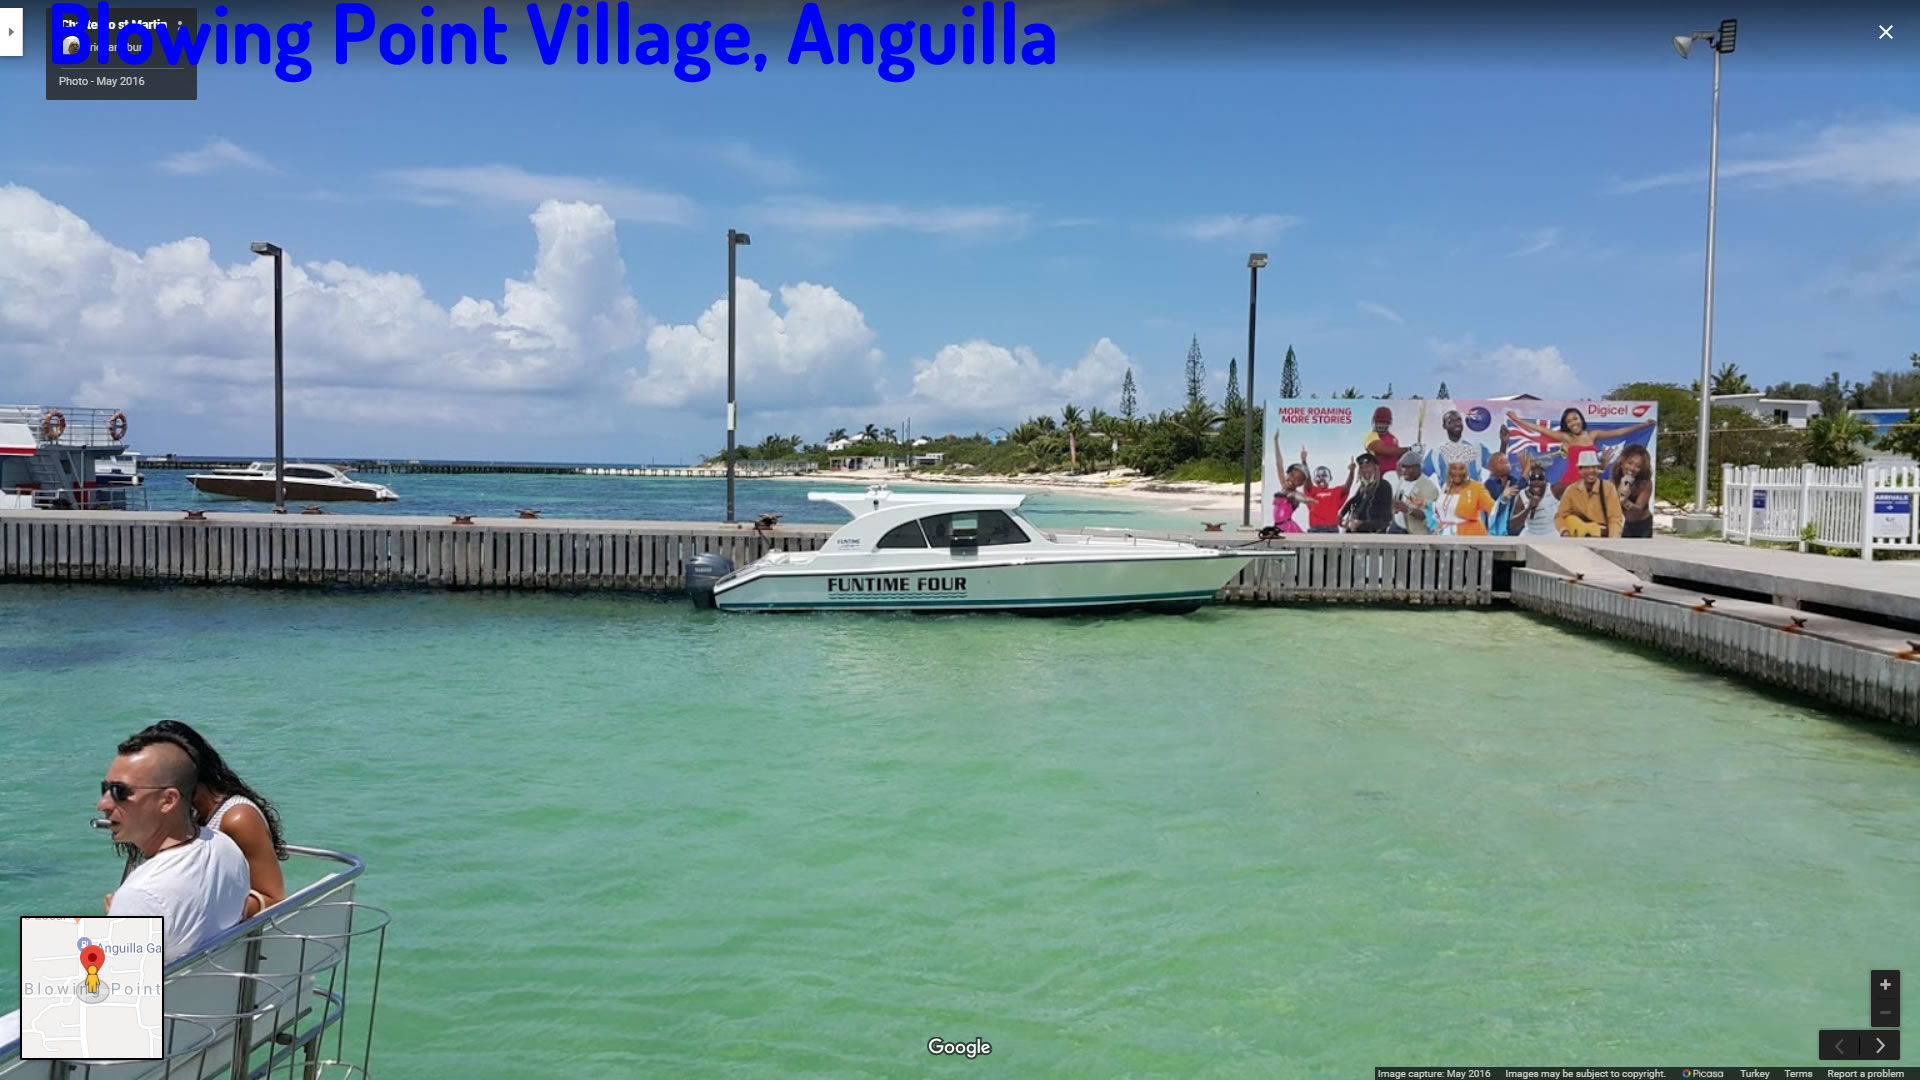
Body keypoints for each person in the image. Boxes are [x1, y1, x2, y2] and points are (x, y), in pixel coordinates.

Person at [97, 729, 250, 964]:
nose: (103, 804)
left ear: (168, 800)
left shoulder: (140, 895)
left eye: (120, 792)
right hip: (223, 982)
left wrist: (121, 915)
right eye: (105, 789)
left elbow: (113, 985)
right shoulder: (227, 848)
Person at [114, 721, 289, 919]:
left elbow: (274, 900)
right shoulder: (181, 815)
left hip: (219, 934)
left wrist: (190, 906)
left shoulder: (237, 818)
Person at [1555, 449, 1625, 537]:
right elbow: (1560, 516)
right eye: (1587, 467)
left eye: (1594, 467)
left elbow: (1615, 518)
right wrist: (1564, 531)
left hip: (1602, 537)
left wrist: (1613, 540)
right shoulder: (1571, 490)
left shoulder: (1608, 488)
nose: (1591, 470)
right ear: (1580, 470)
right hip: (1578, 539)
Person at [1430, 459, 1497, 535]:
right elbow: (1443, 514)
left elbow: (1494, 510)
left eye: (1461, 468)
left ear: (1466, 470)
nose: (1457, 472)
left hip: (1470, 535)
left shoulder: (1476, 487)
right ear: (1449, 470)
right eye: (1454, 468)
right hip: (1445, 535)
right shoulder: (1446, 486)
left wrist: (1503, 500)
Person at [1296, 445, 1352, 533]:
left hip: (1332, 529)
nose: (1321, 479)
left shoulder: (1335, 491)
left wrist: (1352, 472)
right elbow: (1307, 479)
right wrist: (1304, 461)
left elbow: (1347, 487)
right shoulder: (1312, 491)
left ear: (1330, 478)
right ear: (1314, 479)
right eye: (1318, 476)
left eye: (1324, 476)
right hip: (1316, 529)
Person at [1339, 452, 1394, 533]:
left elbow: (1385, 518)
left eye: (1367, 467)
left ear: (1375, 467)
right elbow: (1354, 500)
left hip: (1374, 532)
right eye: (1362, 468)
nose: (1365, 470)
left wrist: (1363, 524)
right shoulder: (1363, 487)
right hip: (1358, 530)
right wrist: (1341, 514)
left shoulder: (1384, 486)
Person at [1389, 445, 1437, 535]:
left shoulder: (1429, 488)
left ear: (1418, 467)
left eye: (1409, 467)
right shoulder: (1402, 480)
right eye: (1403, 467)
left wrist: (1407, 510)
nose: (1405, 470)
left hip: (1415, 532)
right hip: (1397, 527)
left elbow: (1428, 516)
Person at [1611, 444, 1655, 538]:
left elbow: (1639, 509)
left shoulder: (1645, 483)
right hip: (1626, 524)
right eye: (1629, 463)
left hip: (1643, 524)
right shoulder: (1614, 480)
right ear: (1622, 462)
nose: (1632, 468)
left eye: (1638, 466)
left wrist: (1625, 501)